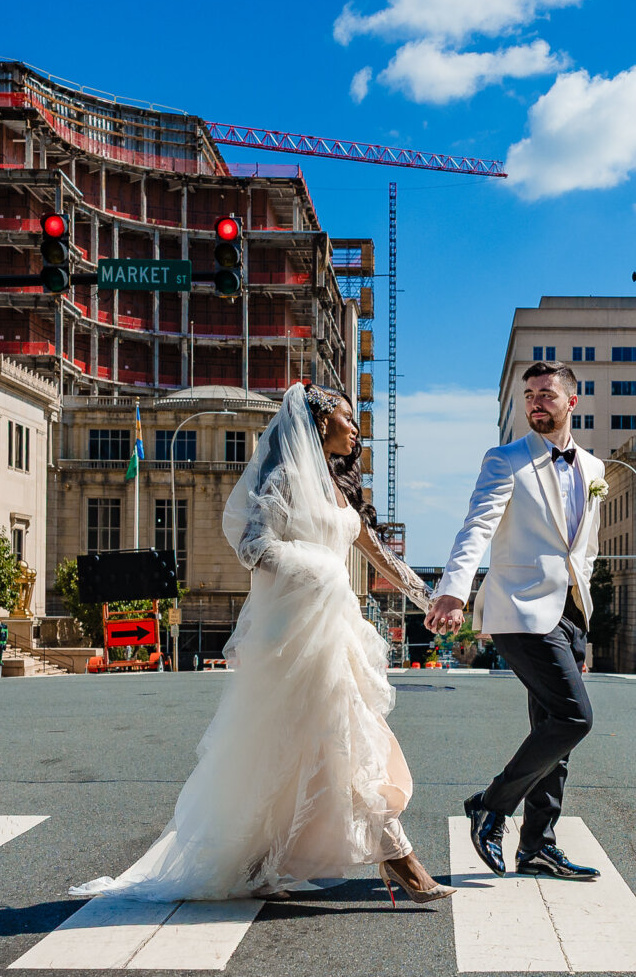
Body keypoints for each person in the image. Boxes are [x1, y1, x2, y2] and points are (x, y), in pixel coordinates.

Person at [70, 383, 454, 906]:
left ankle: (256, 862)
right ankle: (400, 859)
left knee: (313, 747)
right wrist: (319, 568)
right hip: (294, 636)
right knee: (342, 741)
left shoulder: (338, 490)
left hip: (334, 634)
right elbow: (252, 545)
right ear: (320, 424)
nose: (356, 428)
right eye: (348, 417)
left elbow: (378, 554)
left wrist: (430, 598)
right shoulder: (285, 480)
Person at [429, 361, 605, 881]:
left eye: (547, 394)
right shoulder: (505, 460)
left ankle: (538, 846)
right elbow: (476, 526)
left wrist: (583, 617)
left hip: (570, 614)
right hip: (520, 611)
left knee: (556, 732)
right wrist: (454, 593)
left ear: (572, 401)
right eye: (529, 395)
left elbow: (585, 549)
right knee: (576, 719)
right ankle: (492, 805)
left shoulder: (594, 469)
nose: (535, 403)